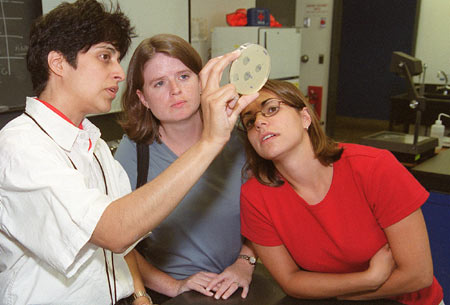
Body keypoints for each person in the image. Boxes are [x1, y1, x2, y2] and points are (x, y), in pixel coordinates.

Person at [0, 1, 257, 304]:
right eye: (105, 57)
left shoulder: (92, 144)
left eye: (118, 59)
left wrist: (140, 294)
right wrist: (210, 142)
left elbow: (125, 243)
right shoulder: (21, 146)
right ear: (58, 63)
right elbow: (114, 231)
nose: (119, 73)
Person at [239, 79, 444, 305]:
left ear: (305, 118)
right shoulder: (256, 196)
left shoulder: (373, 167)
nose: (259, 122)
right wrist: (368, 279)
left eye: (271, 109)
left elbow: (418, 275)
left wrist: (342, 294)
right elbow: (290, 281)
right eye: (249, 121)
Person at [114, 34, 257, 303]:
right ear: (143, 98)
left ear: (201, 81)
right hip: (172, 293)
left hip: (237, 286)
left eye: (183, 76)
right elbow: (119, 241)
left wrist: (245, 262)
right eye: (159, 83)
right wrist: (174, 286)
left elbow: (266, 213)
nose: (175, 90)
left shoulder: (237, 139)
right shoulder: (134, 151)